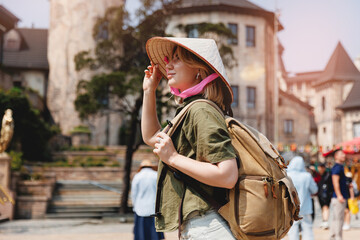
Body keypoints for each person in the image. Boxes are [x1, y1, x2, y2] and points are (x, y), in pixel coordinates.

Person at [141, 37, 238, 239]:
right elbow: (151, 137)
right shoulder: (190, 109)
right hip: (200, 226)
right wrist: (149, 91)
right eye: (169, 59)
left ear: (199, 70)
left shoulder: (201, 110)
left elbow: (228, 175)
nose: (168, 64)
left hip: (208, 227)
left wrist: (174, 158)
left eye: (177, 59)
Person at [131, 159, 165, 240]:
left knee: (141, 233)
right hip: (153, 207)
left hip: (140, 207)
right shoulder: (156, 175)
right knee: (154, 234)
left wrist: (134, 206)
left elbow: (134, 193)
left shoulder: (137, 176)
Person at [286, 156, 318, 240]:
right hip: (305, 206)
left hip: (291, 206)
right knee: (307, 228)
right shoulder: (307, 176)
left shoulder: (287, 175)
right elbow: (314, 190)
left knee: (292, 228)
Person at [329, 149, 350, 240]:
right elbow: (335, 182)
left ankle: (333, 237)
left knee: (336, 218)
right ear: (336, 156)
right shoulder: (337, 167)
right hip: (338, 197)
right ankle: (338, 237)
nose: (344, 156)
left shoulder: (341, 167)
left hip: (339, 196)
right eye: (341, 154)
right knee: (339, 219)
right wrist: (339, 195)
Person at [317, 162, 333, 229]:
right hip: (320, 194)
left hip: (327, 194)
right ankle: (324, 221)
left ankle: (325, 221)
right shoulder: (317, 175)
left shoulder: (328, 174)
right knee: (323, 207)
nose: (320, 169)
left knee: (326, 207)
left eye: (322, 167)